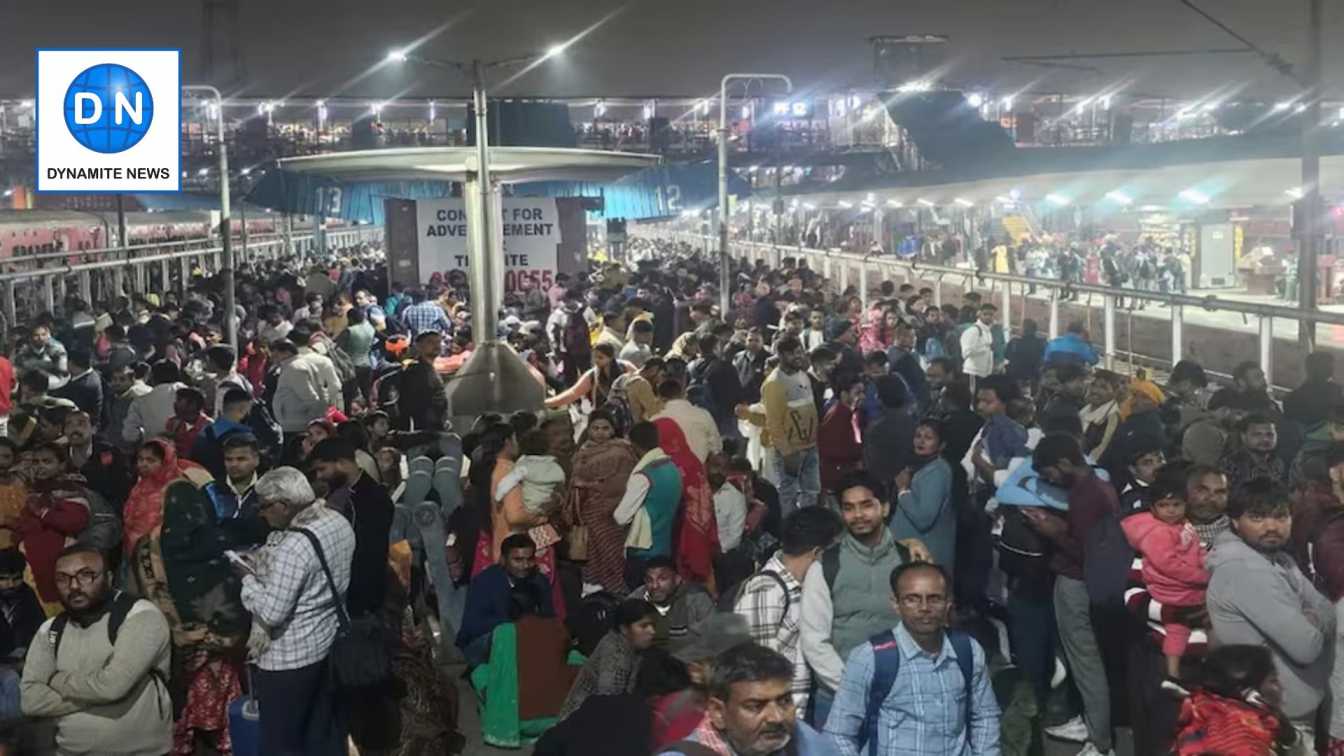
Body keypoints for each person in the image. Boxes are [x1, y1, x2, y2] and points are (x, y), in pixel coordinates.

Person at [239, 466, 357, 756]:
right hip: (325, 645)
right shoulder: (337, 521)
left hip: (288, 661)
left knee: (281, 742)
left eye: (264, 507)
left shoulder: (293, 547)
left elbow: (271, 612)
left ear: (283, 506)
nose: (262, 514)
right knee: (322, 733)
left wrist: (246, 578)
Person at [825, 562, 1000, 755]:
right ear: (896, 604)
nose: (924, 608)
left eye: (934, 599)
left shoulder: (968, 650)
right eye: (912, 599)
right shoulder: (871, 657)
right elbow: (838, 733)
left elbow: (985, 717)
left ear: (948, 603)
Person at [128, 481, 250, 754]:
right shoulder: (216, 543)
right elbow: (234, 602)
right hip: (217, 653)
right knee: (217, 724)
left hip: (172, 655)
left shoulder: (148, 548)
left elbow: (137, 599)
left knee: (181, 724)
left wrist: (178, 632)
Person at [1206, 478, 1333, 737]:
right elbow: (1306, 648)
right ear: (1235, 521)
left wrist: (1314, 618)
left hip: (1290, 705)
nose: (1271, 527)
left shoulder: (1279, 559)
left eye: (1280, 516)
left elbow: (1327, 608)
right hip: (1274, 715)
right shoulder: (1245, 570)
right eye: (1257, 517)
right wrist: (1312, 618)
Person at [20, 545, 172, 755]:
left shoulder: (140, 615)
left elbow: (112, 687)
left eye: (86, 575)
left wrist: (57, 680)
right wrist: (103, 693)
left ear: (108, 578)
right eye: (63, 579)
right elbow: (31, 701)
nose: (74, 586)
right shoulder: (50, 630)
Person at [801, 475, 927, 728]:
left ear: (885, 507)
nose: (858, 514)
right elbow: (814, 640)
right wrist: (854, 687)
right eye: (849, 508)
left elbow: (926, 629)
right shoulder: (826, 566)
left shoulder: (910, 561)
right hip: (838, 699)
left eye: (866, 505)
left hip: (901, 696)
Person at [1029, 434, 1118, 756]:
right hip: (1084, 583)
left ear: (1064, 464)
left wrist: (1052, 532)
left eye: (1049, 473)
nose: (1049, 480)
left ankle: (1100, 741)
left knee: (1085, 662)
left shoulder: (1086, 496)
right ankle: (1089, 721)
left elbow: (1089, 553)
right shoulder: (1098, 487)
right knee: (1078, 656)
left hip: (1076, 583)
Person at [733, 506, 844, 710]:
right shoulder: (767, 590)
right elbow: (759, 669)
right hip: (782, 718)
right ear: (818, 553)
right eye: (835, 552)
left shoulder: (803, 587)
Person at [656, 642, 835, 756]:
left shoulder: (800, 737)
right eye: (756, 706)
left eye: (784, 701)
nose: (776, 717)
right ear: (718, 712)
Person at [1120, 473, 1209, 684]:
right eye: (1164, 505)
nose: (1171, 510)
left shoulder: (1182, 524)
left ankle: (1180, 674)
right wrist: (1203, 576)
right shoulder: (1157, 533)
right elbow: (1169, 565)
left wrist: (1206, 561)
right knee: (1179, 628)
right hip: (1173, 589)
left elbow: (1195, 548)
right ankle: (1174, 675)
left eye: (1176, 504)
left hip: (1186, 583)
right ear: (1153, 508)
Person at [309, 438, 394, 619]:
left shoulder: (373, 498)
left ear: (342, 463)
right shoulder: (337, 493)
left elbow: (370, 556)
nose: (319, 476)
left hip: (361, 600)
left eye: (322, 469)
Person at [1174, 644, 1308, 756]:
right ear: (1250, 694)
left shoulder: (1202, 710)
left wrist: (1288, 733)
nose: (1280, 686)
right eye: (1273, 680)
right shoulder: (1242, 741)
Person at [565, 410, 640, 593]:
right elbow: (572, 481)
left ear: (613, 430)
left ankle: (618, 593)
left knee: (612, 556)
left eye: (605, 428)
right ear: (588, 430)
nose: (600, 433)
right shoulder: (582, 452)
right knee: (592, 556)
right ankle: (596, 595)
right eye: (595, 428)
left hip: (611, 515)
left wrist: (587, 485)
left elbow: (622, 485)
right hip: (587, 515)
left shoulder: (622, 452)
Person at [15, 442, 92, 610]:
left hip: (59, 560)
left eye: (47, 461)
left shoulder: (71, 490)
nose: (40, 466)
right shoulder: (34, 490)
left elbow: (74, 523)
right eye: (36, 462)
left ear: (61, 465)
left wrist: (43, 512)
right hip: (31, 563)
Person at [458, 533, 554, 665]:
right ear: (503, 560)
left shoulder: (539, 582)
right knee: (508, 635)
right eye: (518, 560)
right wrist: (513, 624)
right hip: (482, 644)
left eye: (529, 559)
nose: (525, 565)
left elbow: (548, 618)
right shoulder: (484, 582)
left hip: (525, 639)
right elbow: (473, 626)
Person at [556, 598, 658, 720]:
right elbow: (608, 704)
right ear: (624, 629)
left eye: (652, 625)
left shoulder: (635, 647)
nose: (652, 631)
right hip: (581, 723)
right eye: (644, 626)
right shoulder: (615, 654)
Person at [614, 422, 684, 586]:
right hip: (665, 547)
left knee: (638, 601)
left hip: (643, 551)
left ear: (634, 446)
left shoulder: (643, 475)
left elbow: (621, 517)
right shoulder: (672, 467)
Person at [122, 438, 213, 557]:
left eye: (151, 460)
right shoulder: (139, 488)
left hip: (166, 558)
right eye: (140, 459)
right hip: (134, 554)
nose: (143, 464)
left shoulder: (179, 489)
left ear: (165, 462)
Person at [762, 336, 820, 517]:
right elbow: (774, 423)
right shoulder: (774, 384)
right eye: (794, 353)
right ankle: (791, 536)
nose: (799, 356)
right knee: (788, 496)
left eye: (800, 352)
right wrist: (787, 453)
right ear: (781, 355)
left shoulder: (803, 376)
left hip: (810, 447)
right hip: (791, 452)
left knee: (811, 492)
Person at [890, 418, 956, 569]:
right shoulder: (920, 465)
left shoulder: (937, 472)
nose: (921, 441)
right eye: (918, 436)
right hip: (911, 552)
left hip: (925, 553)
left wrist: (903, 490)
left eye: (928, 437)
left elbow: (924, 518)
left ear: (942, 445)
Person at [628, 556, 714, 650]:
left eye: (662, 579)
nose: (655, 586)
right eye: (650, 580)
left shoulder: (696, 598)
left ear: (677, 579)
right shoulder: (637, 599)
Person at [63, 409, 134, 513]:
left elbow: (123, 491)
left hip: (104, 515)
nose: (74, 429)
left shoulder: (110, 454)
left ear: (94, 429)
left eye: (81, 423)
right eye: (69, 424)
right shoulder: (58, 454)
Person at [861, 375, 916, 499]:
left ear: (880, 398)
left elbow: (871, 466)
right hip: (911, 488)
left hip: (884, 490)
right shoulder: (915, 424)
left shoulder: (875, 429)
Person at [122, 360, 185, 445]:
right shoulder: (188, 393)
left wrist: (145, 433)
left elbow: (129, 435)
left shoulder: (141, 401)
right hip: (189, 450)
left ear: (152, 378)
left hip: (155, 451)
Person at [1221, 413, 1286, 492]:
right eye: (1257, 434)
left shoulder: (1278, 463)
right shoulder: (1231, 464)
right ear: (1243, 437)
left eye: (1270, 434)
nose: (1265, 439)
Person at [166, 386, 212, 460]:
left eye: (179, 400)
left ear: (192, 404)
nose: (175, 404)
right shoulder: (172, 423)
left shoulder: (209, 426)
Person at [958, 303, 996, 392]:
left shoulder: (988, 332)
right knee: (972, 397)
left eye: (991, 315)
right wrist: (985, 348)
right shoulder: (973, 331)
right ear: (979, 314)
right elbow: (966, 353)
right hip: (973, 372)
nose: (988, 317)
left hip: (984, 373)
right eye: (985, 314)